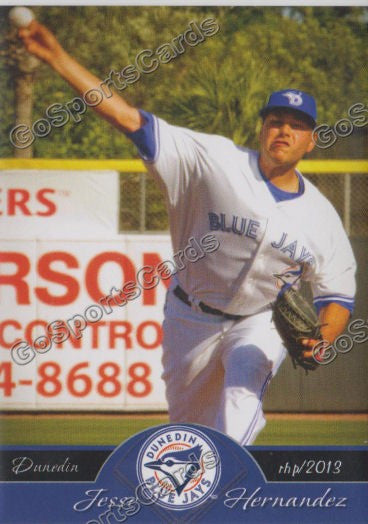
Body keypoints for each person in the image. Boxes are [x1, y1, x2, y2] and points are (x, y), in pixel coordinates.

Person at [18, 21, 356, 445]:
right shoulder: (213, 160)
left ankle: (227, 490)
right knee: (187, 434)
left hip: (259, 321)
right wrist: (57, 58)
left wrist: (322, 339)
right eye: (276, 120)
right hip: (189, 317)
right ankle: (197, 498)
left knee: (241, 394)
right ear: (261, 128)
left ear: (311, 141)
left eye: (297, 125)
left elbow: (337, 295)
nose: (284, 130)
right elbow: (129, 120)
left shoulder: (322, 218)